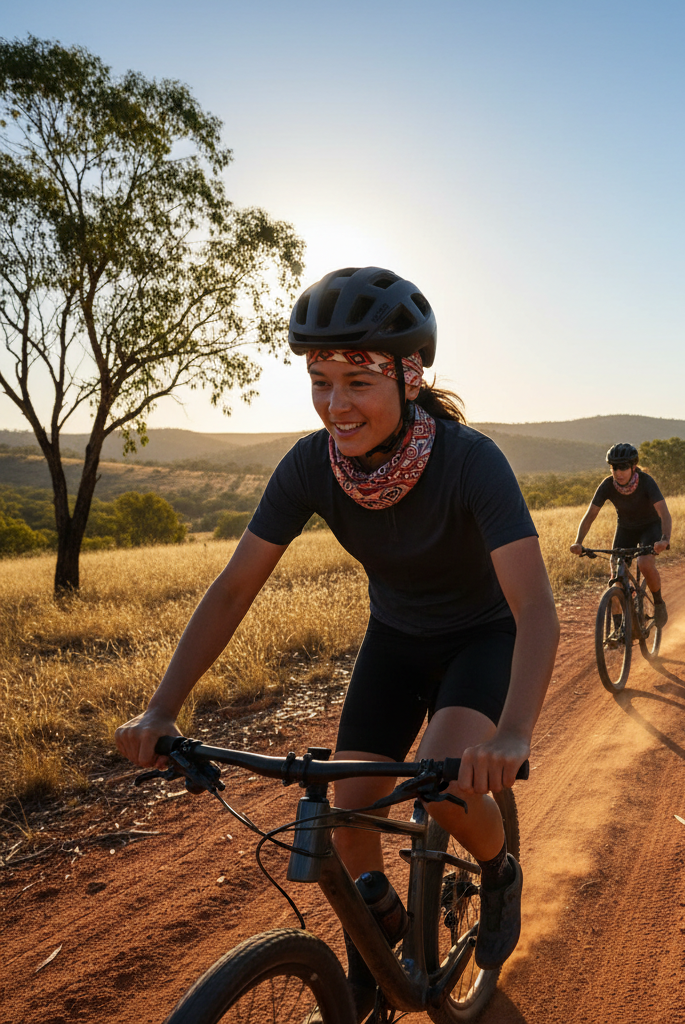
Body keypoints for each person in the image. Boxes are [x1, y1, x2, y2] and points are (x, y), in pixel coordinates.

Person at [115, 266, 560, 1017]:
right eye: (320, 382)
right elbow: (233, 588)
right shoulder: (309, 467)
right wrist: (162, 709)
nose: (335, 404)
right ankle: (381, 950)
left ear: (409, 378)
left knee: (448, 784)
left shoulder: (470, 460)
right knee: (349, 813)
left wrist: (513, 733)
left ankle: (497, 868)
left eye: (358, 381)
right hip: (396, 639)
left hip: (483, 637)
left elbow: (536, 609)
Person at [569, 443, 672, 632]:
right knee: (616, 577)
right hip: (626, 528)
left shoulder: (646, 482)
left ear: (633, 466)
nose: (618, 472)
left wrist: (664, 539)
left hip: (650, 527)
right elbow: (590, 515)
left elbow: (664, 513)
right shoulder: (607, 485)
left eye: (623, 467)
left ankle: (658, 603)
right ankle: (619, 632)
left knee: (644, 563)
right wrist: (578, 542)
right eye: (614, 467)